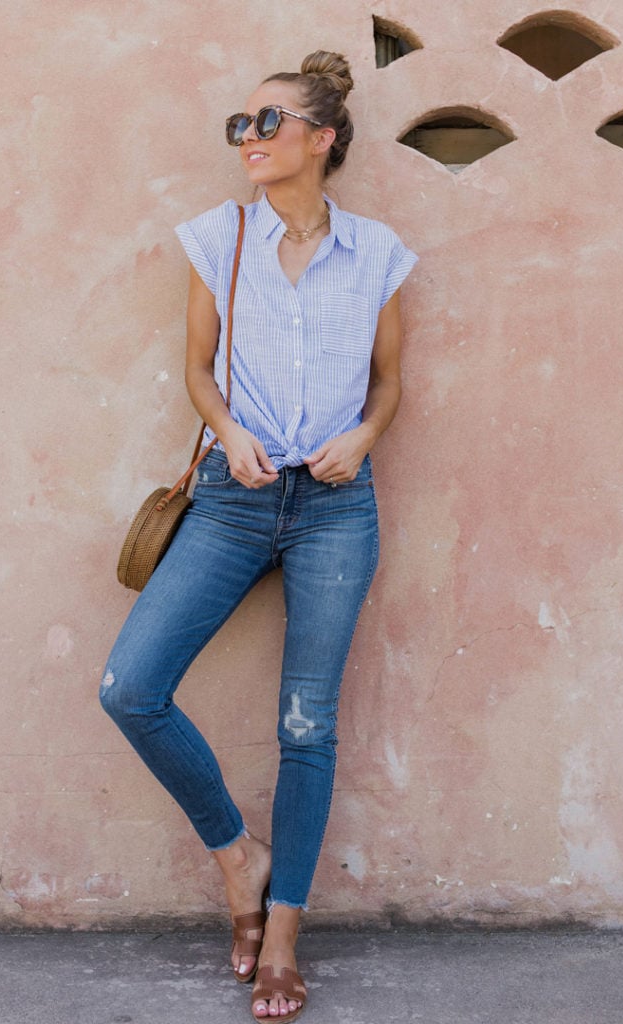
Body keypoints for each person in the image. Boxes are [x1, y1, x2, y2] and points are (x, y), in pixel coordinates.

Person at [100, 49, 417, 1022]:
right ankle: (239, 857)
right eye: (239, 123)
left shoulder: (376, 254)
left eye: (267, 122)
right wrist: (230, 433)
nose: (248, 137)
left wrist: (360, 438)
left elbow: (388, 383)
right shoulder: (220, 237)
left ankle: (281, 934)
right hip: (232, 498)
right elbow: (198, 369)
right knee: (129, 687)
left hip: (335, 508)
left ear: (322, 138)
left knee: (306, 726)